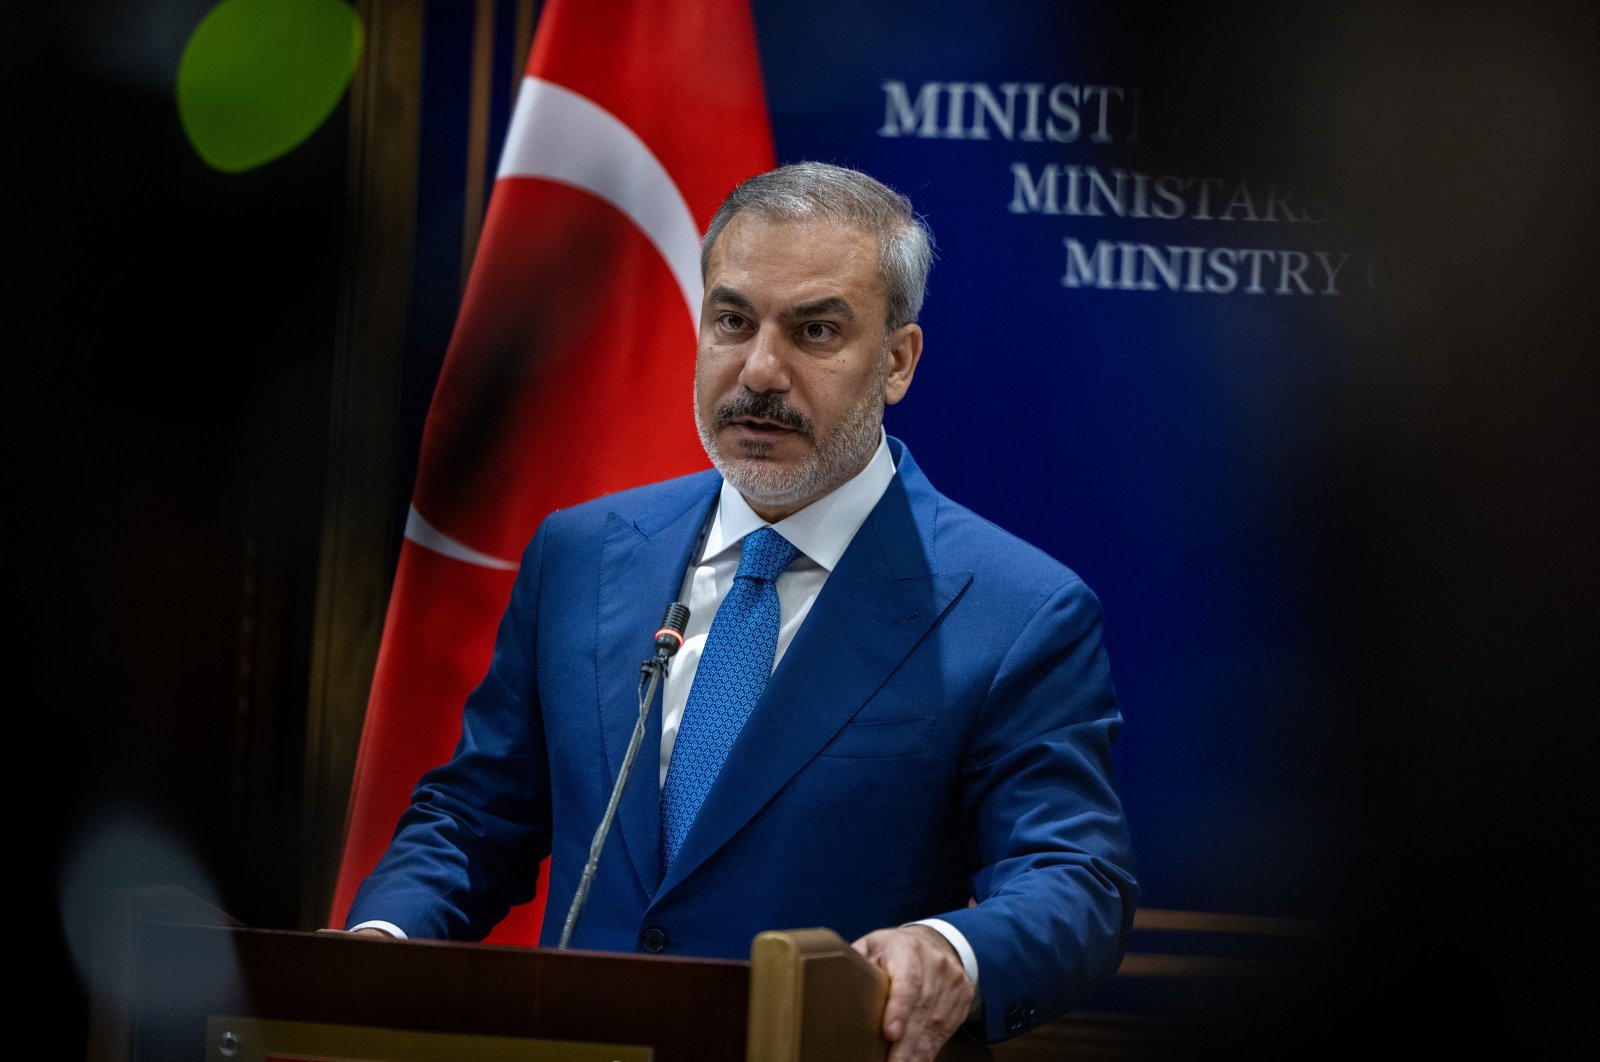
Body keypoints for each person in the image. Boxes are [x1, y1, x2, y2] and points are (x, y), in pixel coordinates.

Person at [344, 161, 1137, 1061]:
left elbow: (1074, 879)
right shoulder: (582, 555)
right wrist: (386, 945)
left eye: (815, 331)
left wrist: (951, 953)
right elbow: (476, 817)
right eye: (732, 321)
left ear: (898, 362)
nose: (760, 370)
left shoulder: (1017, 610)